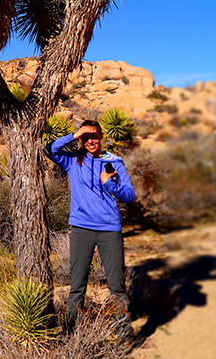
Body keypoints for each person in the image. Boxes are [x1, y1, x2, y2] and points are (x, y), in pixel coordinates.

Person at [46, 119, 136, 329]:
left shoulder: (114, 161)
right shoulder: (73, 161)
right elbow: (50, 150)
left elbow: (130, 195)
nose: (90, 141)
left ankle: (123, 330)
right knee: (77, 285)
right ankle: (71, 331)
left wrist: (109, 183)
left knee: (116, 285)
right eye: (85, 137)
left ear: (101, 136)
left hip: (109, 229)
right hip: (81, 228)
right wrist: (75, 134)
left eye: (94, 135)